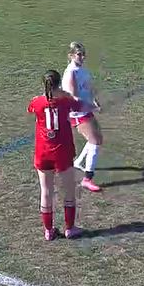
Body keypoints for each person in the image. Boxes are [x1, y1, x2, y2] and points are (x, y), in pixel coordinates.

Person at [28, 69, 84, 240]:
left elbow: (32, 109)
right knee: (69, 190)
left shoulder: (37, 102)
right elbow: (79, 105)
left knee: (46, 191)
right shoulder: (66, 100)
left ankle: (48, 230)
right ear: (59, 84)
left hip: (43, 151)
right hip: (62, 151)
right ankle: (70, 228)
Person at [62, 42, 103, 193]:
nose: (83, 57)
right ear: (71, 56)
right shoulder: (70, 72)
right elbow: (73, 97)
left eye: (83, 54)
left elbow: (88, 88)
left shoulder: (82, 70)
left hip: (86, 109)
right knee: (95, 141)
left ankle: (78, 162)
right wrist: (91, 106)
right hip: (77, 112)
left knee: (97, 138)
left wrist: (95, 101)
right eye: (79, 54)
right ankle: (87, 179)